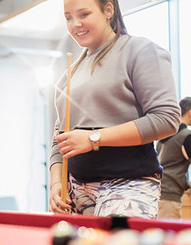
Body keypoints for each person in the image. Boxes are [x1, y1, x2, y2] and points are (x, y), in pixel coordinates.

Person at [49, 0, 181, 218]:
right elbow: (59, 138)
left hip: (128, 183)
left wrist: (94, 138)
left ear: (108, 10)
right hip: (75, 191)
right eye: (68, 17)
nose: (75, 24)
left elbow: (166, 119)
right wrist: (56, 183)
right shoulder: (69, 74)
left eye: (84, 14)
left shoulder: (140, 50)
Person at [156, 97, 191, 219]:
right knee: (168, 234)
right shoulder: (186, 136)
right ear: (190, 113)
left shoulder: (164, 134)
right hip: (170, 195)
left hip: (157, 192)